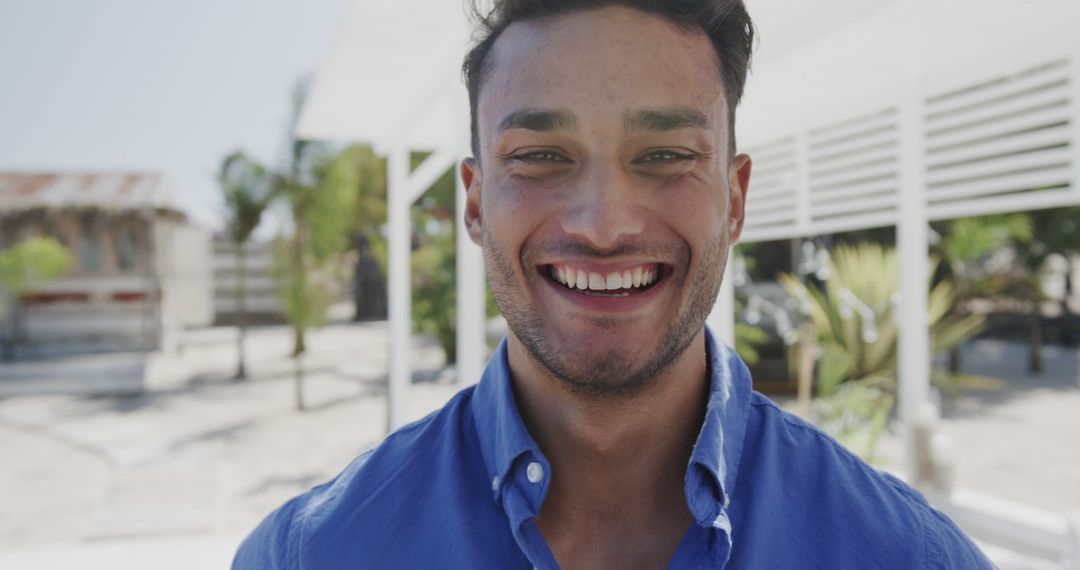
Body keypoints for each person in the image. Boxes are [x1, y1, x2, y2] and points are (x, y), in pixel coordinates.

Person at [234, 1, 993, 568]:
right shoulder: (311, 555)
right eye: (540, 156)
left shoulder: (910, 557)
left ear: (734, 200)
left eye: (664, 155)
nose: (602, 225)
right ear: (473, 202)